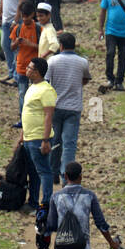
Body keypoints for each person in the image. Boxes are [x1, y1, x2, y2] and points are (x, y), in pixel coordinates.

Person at [46, 32, 91, 184]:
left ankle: (53, 172)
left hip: (56, 106)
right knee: (69, 143)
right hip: (73, 107)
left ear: (61, 46)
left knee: (55, 141)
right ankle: (67, 177)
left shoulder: (52, 61)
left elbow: (46, 82)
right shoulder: (82, 62)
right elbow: (85, 79)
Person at [20, 59, 58, 210]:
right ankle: (33, 201)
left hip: (39, 137)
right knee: (33, 171)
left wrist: (45, 140)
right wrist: (22, 135)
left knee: (43, 171)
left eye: (29, 68)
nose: (26, 69)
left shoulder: (46, 90)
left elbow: (49, 116)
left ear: (37, 72)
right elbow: (27, 113)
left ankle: (46, 202)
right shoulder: (32, 87)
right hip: (29, 136)